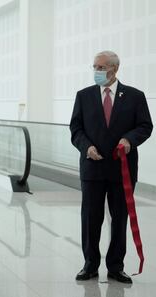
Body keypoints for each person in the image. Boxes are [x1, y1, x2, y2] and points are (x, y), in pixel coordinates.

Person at [70, 51, 153, 283]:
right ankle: (90, 265)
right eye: (94, 66)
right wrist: (86, 147)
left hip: (122, 170)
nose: (96, 71)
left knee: (119, 218)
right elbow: (76, 129)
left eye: (101, 67)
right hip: (92, 168)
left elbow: (145, 126)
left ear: (115, 69)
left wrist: (129, 140)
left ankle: (116, 266)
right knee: (90, 218)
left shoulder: (135, 96)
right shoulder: (84, 96)